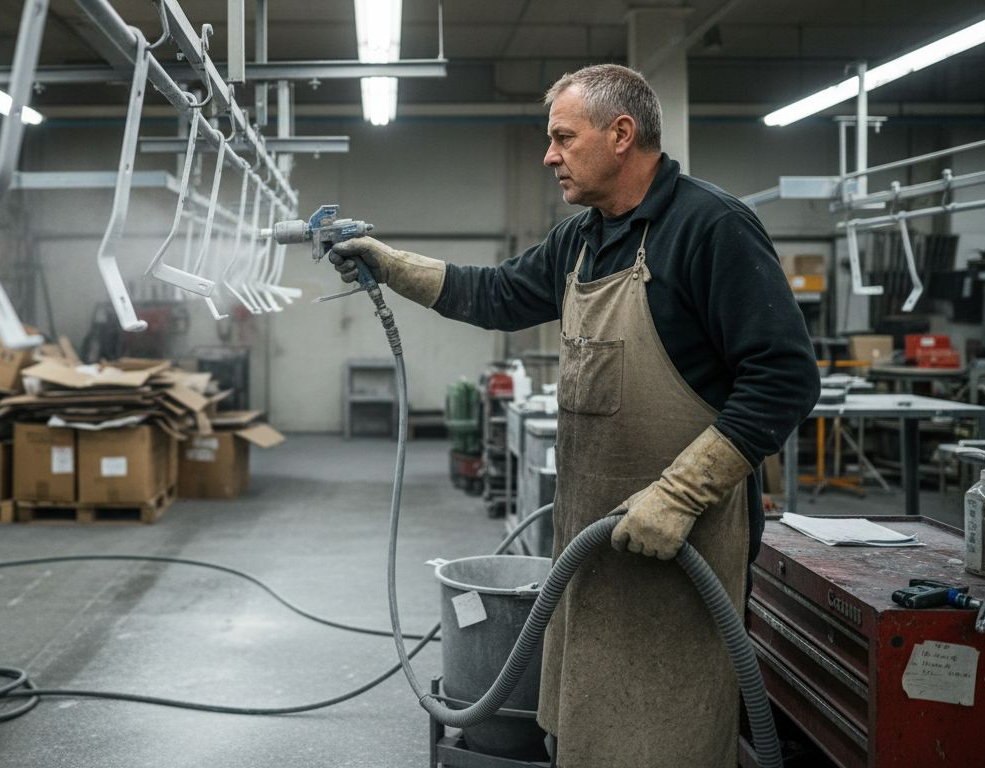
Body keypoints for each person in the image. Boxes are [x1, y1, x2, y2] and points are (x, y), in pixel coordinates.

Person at [330, 64, 819, 767]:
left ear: (622, 135)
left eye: (562, 137)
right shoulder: (583, 237)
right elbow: (496, 294)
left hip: (680, 551)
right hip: (591, 542)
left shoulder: (710, 228)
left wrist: (681, 494)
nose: (548, 155)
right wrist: (390, 263)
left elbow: (785, 377)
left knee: (665, 735)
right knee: (589, 729)